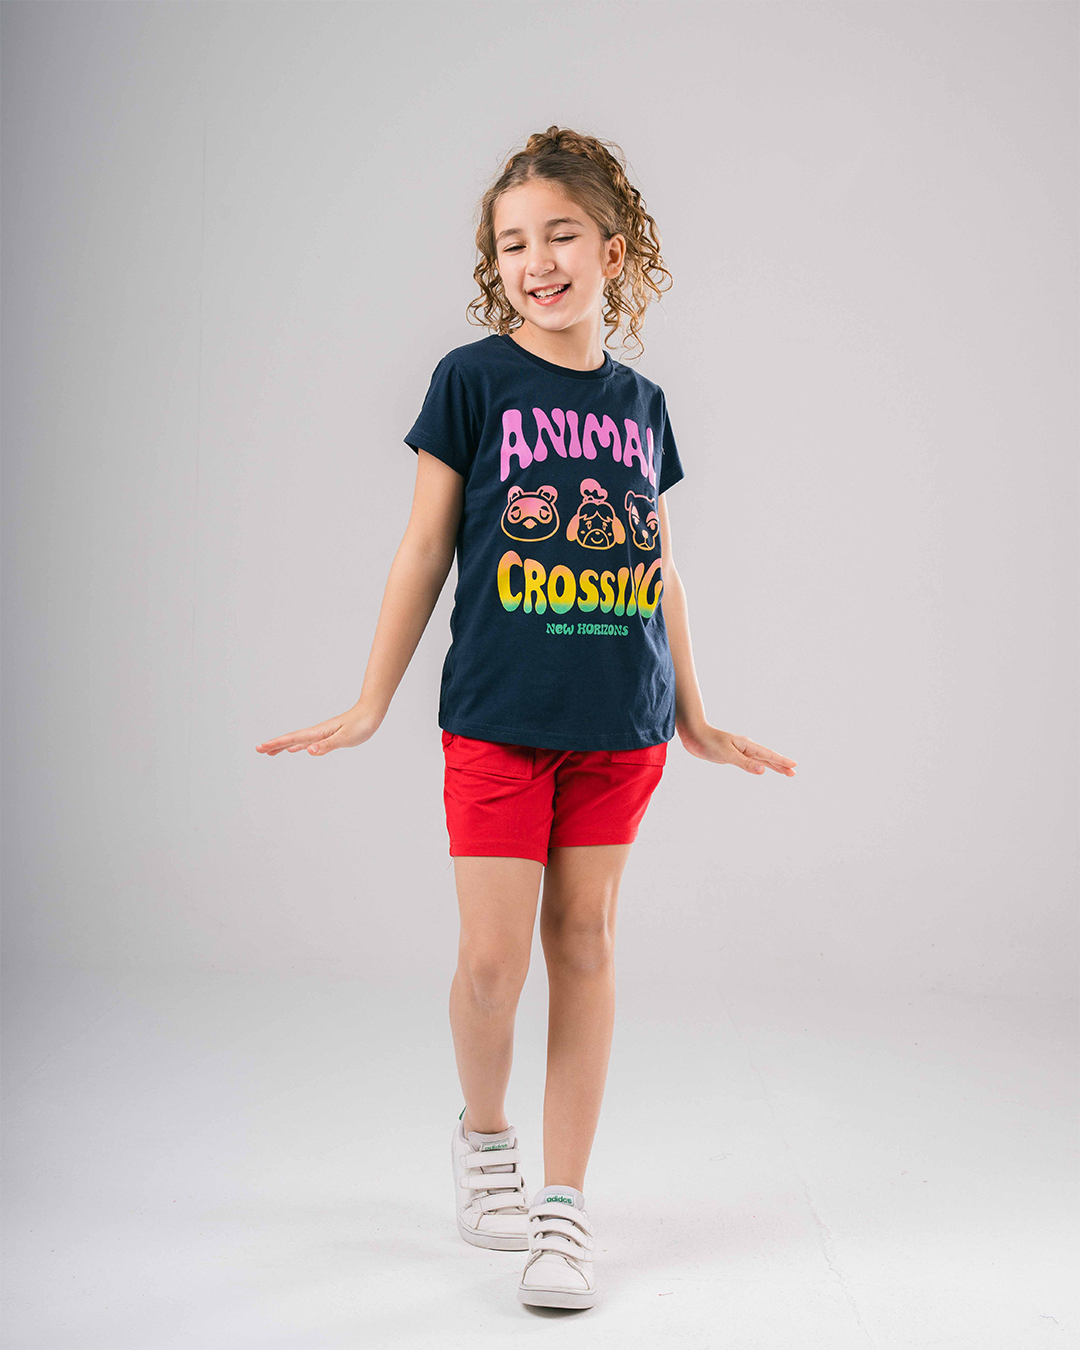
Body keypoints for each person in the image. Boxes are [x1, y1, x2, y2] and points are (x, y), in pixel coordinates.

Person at [256, 124, 796, 1312]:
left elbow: (658, 565)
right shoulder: (472, 382)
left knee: (586, 944)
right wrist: (369, 701)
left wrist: (696, 714)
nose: (537, 261)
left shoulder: (644, 405)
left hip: (622, 721)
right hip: (498, 716)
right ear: (493, 263)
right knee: (494, 965)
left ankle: (563, 1208)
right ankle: (486, 1138)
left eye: (560, 235)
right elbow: (423, 549)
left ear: (615, 251)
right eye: (512, 243)